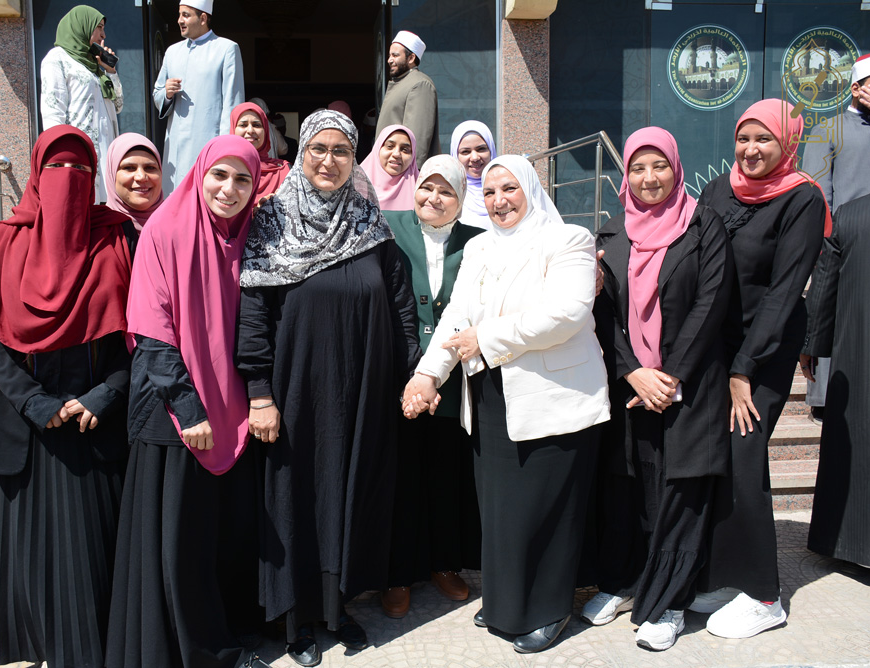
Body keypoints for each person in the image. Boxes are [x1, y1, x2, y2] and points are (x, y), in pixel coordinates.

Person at [402, 154, 610, 654]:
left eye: (509, 188)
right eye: (490, 192)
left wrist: (487, 337)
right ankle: (506, 601)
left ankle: (549, 609)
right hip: (492, 397)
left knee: (548, 510)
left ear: (531, 190)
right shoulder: (480, 247)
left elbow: (567, 313)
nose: (499, 201)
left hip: (556, 398)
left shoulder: (569, 240)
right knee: (502, 508)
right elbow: (457, 315)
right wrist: (428, 374)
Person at [236, 110, 420, 668]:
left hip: (361, 392)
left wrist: (408, 377)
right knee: (295, 499)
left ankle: (337, 610)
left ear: (353, 159)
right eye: (319, 148)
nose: (329, 160)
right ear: (301, 154)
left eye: (342, 151)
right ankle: (295, 620)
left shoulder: (371, 225)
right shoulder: (271, 223)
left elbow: (402, 309)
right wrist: (260, 394)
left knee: (348, 494)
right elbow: (253, 316)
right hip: (294, 396)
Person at [0, 125, 134, 668]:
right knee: (38, 558)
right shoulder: (5, 242)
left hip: (94, 425)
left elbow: (139, 330)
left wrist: (105, 394)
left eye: (81, 169)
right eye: (57, 168)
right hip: (29, 429)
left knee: (96, 556)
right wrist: (33, 401)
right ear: (37, 176)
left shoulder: (115, 237)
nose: (69, 179)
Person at [106, 135, 269, 668]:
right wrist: (190, 408)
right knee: (180, 543)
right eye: (219, 175)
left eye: (242, 179)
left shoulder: (250, 237)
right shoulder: (165, 229)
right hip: (173, 409)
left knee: (221, 537)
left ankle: (227, 633)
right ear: (199, 174)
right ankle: (198, 653)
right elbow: (152, 328)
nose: (229, 189)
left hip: (232, 407)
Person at [587, 127, 734, 651]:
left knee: (680, 494)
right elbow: (603, 313)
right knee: (630, 489)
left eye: (660, 166)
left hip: (688, 385)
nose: (649, 178)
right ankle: (626, 581)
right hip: (632, 387)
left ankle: (670, 603)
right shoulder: (611, 235)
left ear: (676, 167)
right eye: (638, 168)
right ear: (625, 175)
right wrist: (633, 372)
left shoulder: (703, 224)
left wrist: (670, 376)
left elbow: (712, 301)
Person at [693, 99, 828, 638]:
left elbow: (784, 290)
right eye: (743, 138)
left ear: (786, 143)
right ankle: (726, 575)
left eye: (764, 139)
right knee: (717, 457)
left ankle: (765, 596)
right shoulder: (717, 190)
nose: (751, 150)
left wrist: (744, 368)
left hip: (763, 353)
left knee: (744, 455)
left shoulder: (802, 197)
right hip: (715, 346)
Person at [380, 155, 484, 619]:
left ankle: (444, 563)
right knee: (400, 476)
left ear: (461, 199)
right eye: (427, 187)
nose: (434, 198)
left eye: (447, 192)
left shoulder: (478, 241)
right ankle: (397, 573)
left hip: (452, 376)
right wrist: (410, 372)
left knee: (446, 473)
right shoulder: (387, 226)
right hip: (397, 370)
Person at [802, 184, 870, 571]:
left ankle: (854, 545)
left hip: (864, 361)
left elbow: (824, 283)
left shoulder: (853, 215)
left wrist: (811, 344)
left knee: (862, 448)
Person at [800, 50, 870, 424]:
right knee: (841, 322)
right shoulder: (829, 129)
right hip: (845, 250)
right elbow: (818, 197)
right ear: (856, 89)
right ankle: (828, 399)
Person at [154, 0, 245, 194]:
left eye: (186, 15)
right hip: (175, 146)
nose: (179, 20)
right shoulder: (172, 52)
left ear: (203, 18)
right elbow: (157, 93)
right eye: (179, 15)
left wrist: (225, 148)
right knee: (175, 198)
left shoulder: (226, 49)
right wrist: (167, 93)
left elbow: (232, 104)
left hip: (207, 142)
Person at [40, 5, 122, 203]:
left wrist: (110, 71)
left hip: (105, 152)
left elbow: (118, 105)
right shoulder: (57, 58)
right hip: (78, 153)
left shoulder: (96, 65)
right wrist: (62, 157)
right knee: (80, 203)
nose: (103, 35)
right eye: (99, 27)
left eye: (103, 28)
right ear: (82, 26)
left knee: (104, 208)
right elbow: (53, 111)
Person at [376, 30, 440, 167]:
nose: (389, 60)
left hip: (404, 172)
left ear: (411, 58)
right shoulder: (402, 82)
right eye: (389, 55)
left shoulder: (420, 84)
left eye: (395, 55)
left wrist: (410, 174)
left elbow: (417, 141)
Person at [104, 132, 164, 230]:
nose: (141, 177)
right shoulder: (96, 231)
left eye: (150, 167)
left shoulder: (182, 224)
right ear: (112, 175)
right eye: (129, 168)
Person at [230, 102, 290, 200]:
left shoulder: (283, 171)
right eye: (243, 125)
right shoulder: (223, 170)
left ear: (265, 131)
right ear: (233, 129)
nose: (250, 130)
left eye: (256, 125)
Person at [449, 120, 497, 231]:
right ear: (455, 155)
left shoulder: (508, 189)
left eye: (481, 149)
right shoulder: (450, 192)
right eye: (465, 152)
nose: (475, 157)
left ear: (491, 150)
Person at [361, 124, 419, 211]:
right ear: (378, 148)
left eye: (404, 149)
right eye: (390, 146)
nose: (396, 154)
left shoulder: (423, 192)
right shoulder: (353, 185)